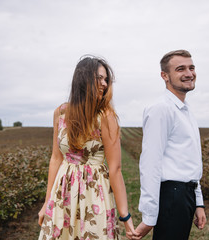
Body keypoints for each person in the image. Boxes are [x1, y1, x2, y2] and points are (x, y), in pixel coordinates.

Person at [37, 56, 137, 240]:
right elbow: (56, 158)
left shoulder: (106, 116)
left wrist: (125, 216)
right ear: (83, 78)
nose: (104, 84)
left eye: (106, 79)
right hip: (63, 191)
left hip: (94, 192)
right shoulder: (61, 112)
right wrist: (46, 203)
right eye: (100, 78)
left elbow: (115, 168)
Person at [134, 50, 207, 240]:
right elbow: (150, 163)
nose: (189, 73)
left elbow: (190, 160)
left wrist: (198, 202)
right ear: (164, 76)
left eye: (191, 68)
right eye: (180, 69)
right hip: (172, 197)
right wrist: (149, 217)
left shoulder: (186, 110)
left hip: (185, 196)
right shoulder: (161, 109)